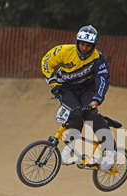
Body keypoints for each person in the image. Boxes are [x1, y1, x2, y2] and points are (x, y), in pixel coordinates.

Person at [41, 25, 116, 171]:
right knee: (74, 113)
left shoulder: (98, 59)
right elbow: (46, 63)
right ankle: (70, 147)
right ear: (77, 42)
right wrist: (53, 82)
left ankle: (110, 152)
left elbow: (102, 81)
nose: (84, 48)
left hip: (87, 89)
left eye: (88, 46)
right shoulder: (63, 51)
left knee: (91, 115)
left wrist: (95, 101)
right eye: (82, 44)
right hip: (66, 87)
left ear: (94, 46)